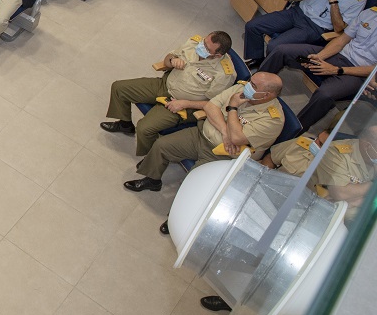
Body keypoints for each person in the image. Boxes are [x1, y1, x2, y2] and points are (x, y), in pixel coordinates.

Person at [124, 74, 284, 192]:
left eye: (254, 86)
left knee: (192, 185)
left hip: (225, 155)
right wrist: (225, 131)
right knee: (161, 145)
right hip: (202, 134)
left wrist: (232, 107)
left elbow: (237, 138)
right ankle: (152, 179)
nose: (248, 86)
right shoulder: (240, 88)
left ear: (267, 95)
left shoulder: (273, 119)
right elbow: (210, 106)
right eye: (250, 81)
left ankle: (176, 217)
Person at [102, 31, 239, 156]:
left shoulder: (224, 74)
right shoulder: (194, 43)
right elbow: (168, 58)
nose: (201, 47)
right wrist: (172, 60)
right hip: (165, 84)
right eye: (204, 42)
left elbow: (213, 104)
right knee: (119, 88)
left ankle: (151, 155)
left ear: (217, 55)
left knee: (144, 128)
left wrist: (184, 103)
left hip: (183, 105)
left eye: (207, 48)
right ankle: (125, 124)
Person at [259, 11, 377, 131]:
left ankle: (294, 129)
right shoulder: (369, 14)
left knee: (324, 95)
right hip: (338, 55)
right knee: (281, 51)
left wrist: (337, 70)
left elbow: (374, 70)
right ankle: (254, 88)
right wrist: (319, 57)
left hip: (356, 72)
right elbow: (342, 40)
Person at [243, 0, 369, 67]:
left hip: (315, 28)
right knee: (253, 26)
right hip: (297, 12)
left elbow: (339, 28)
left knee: (274, 46)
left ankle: (265, 71)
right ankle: (257, 58)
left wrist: (333, 2)